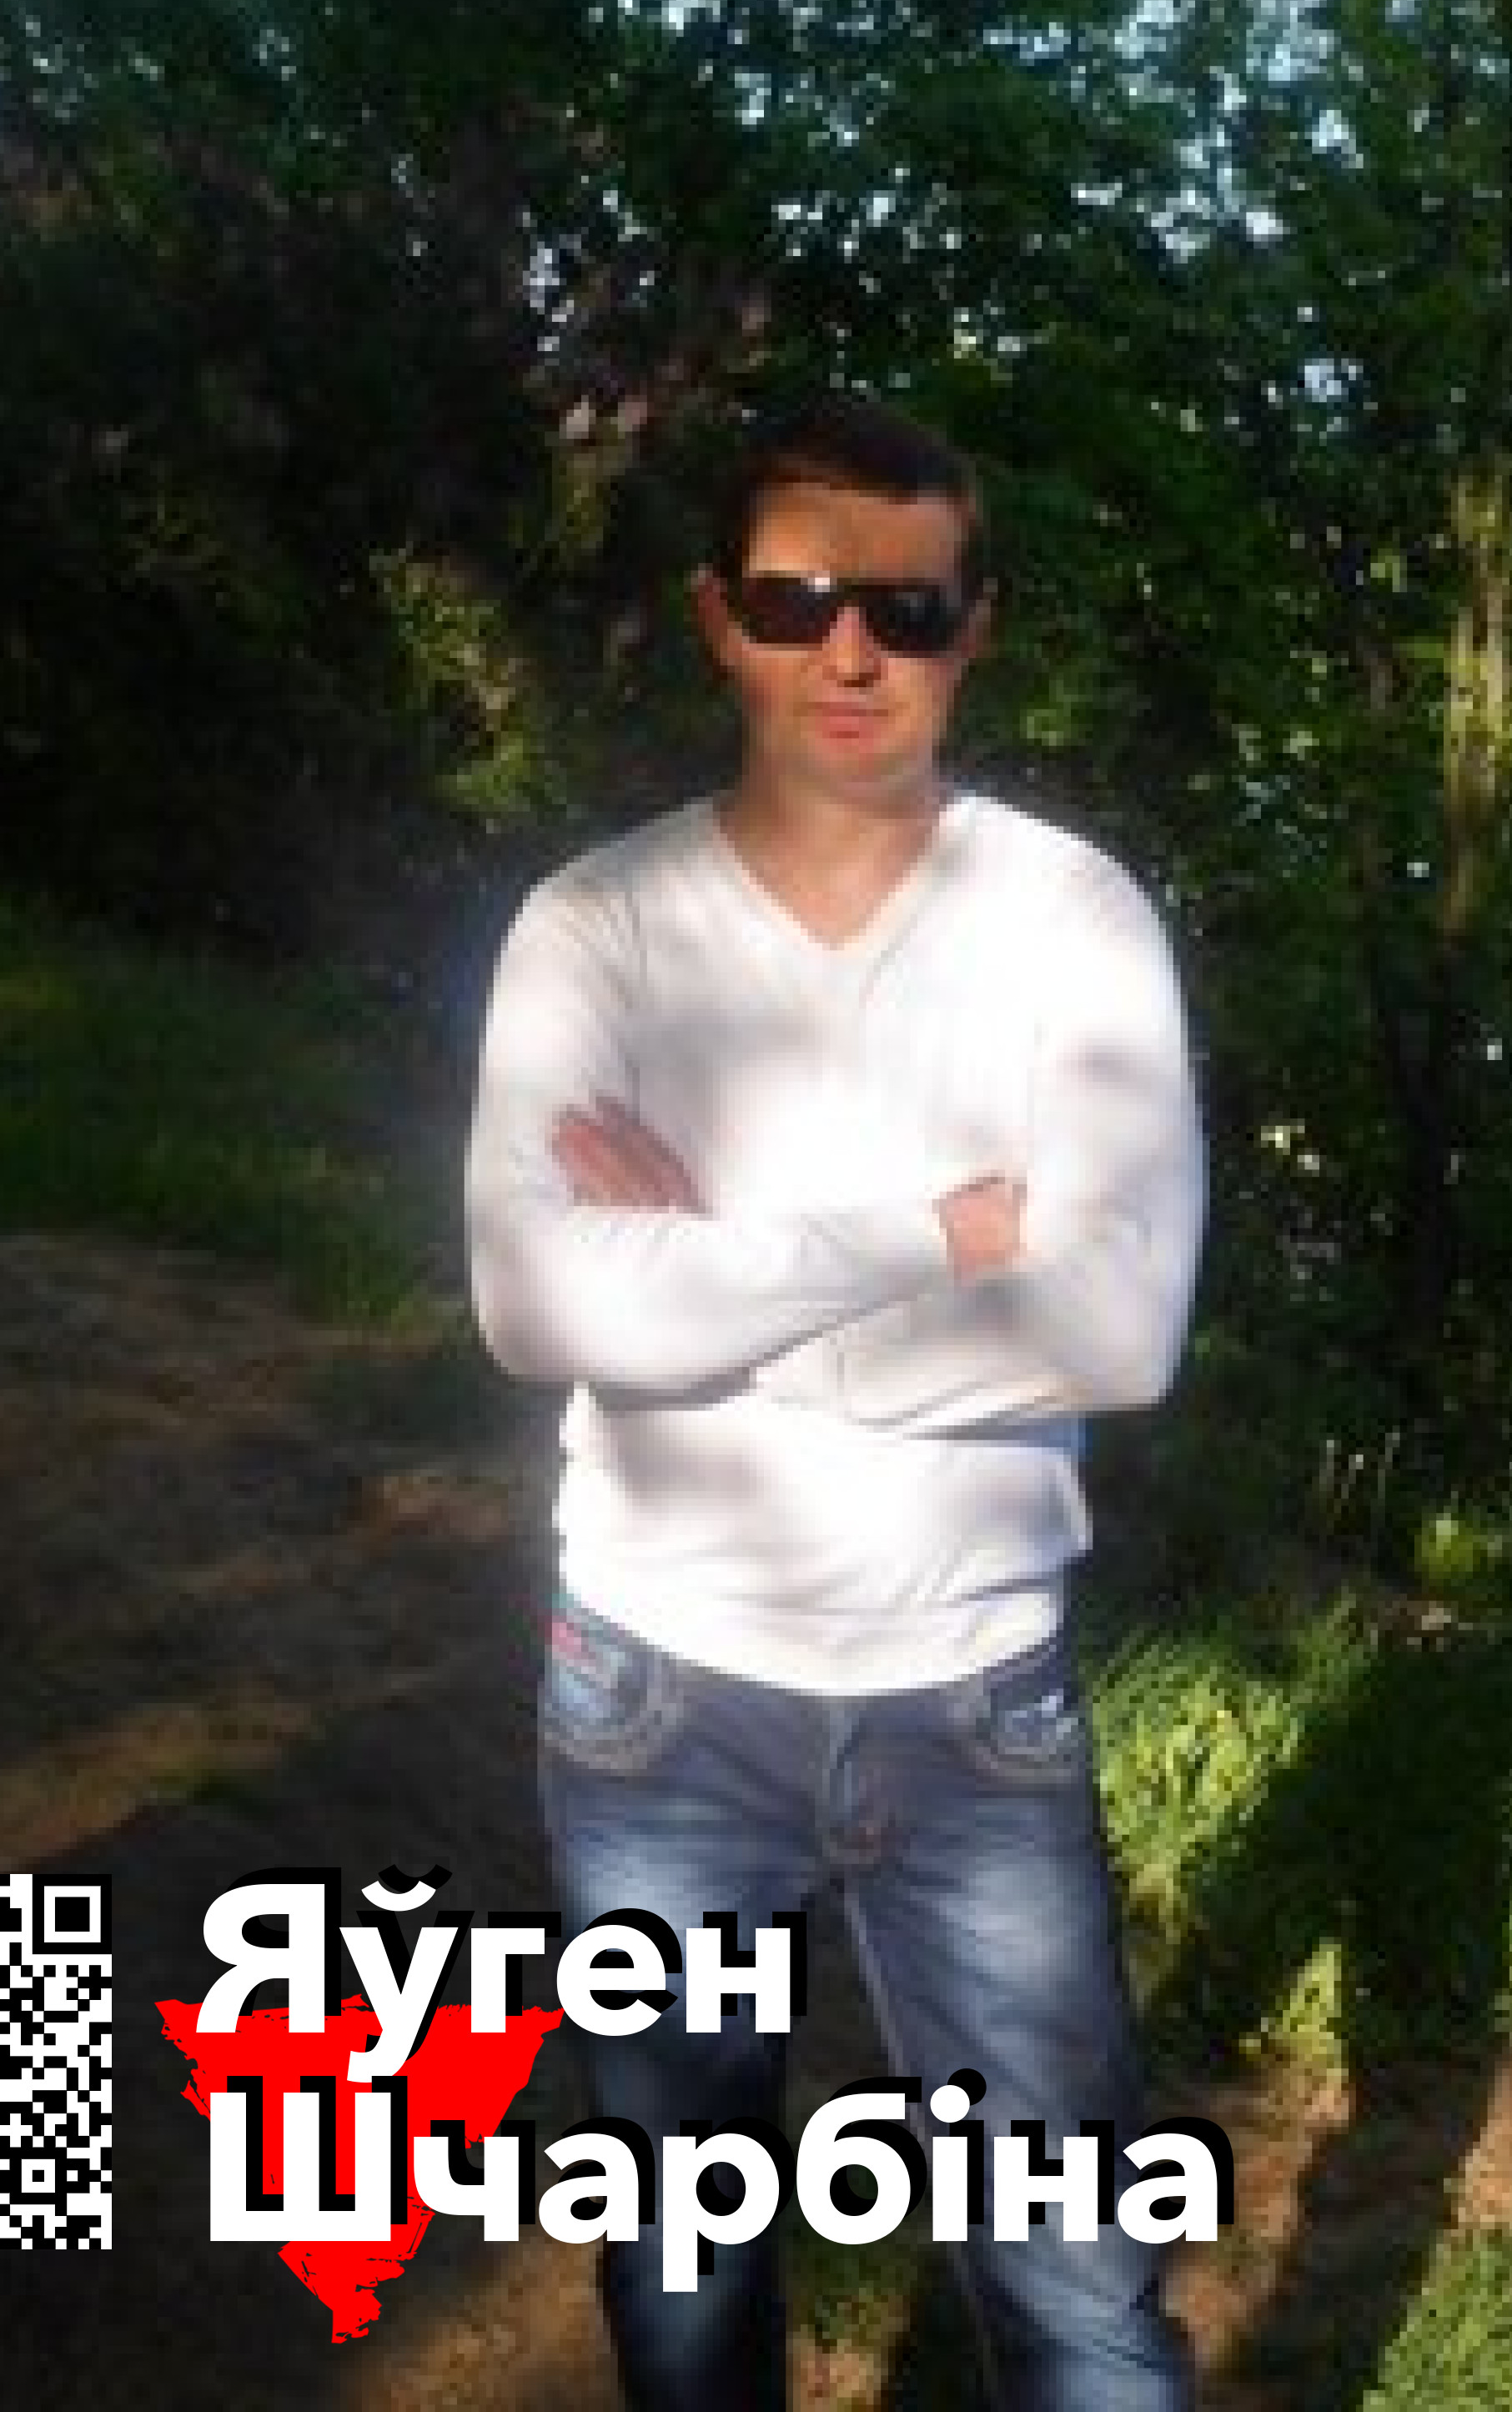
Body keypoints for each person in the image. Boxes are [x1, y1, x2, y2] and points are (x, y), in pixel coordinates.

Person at [464, 395, 1206, 2410]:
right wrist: (930, 1237)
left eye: (907, 604)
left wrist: (706, 1278)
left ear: (977, 625)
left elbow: (1117, 1329)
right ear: (721, 619)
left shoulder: (1070, 920)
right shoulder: (598, 925)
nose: (851, 649)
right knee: (682, 2259)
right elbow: (535, 1300)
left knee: (1078, 2281)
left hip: (973, 1690)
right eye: (797, 601)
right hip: (655, 1694)